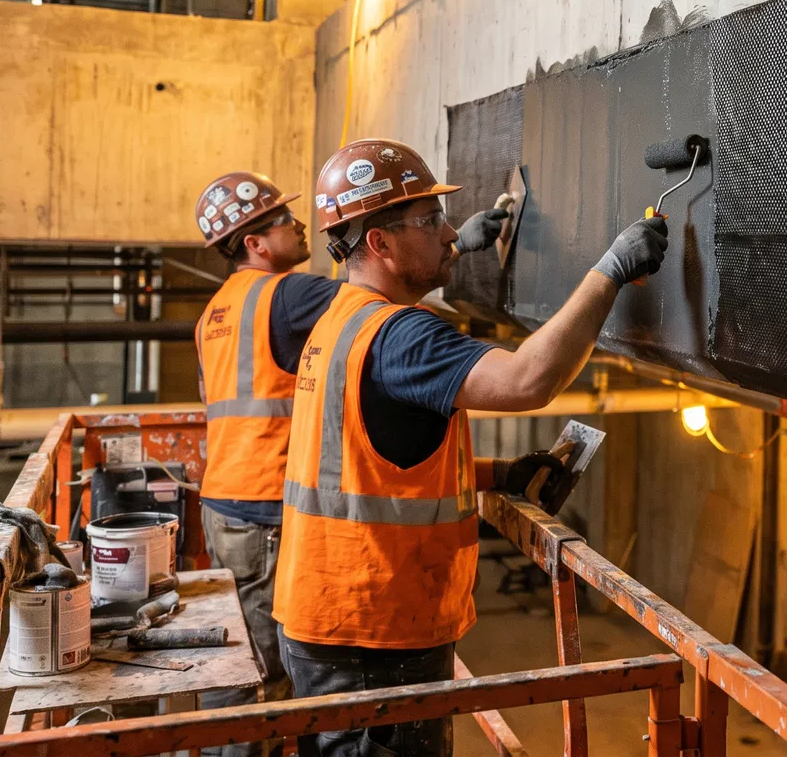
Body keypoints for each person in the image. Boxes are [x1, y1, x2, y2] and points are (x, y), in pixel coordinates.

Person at [271, 139, 667, 757]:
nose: (451, 233)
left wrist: (497, 472)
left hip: (334, 619)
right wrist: (610, 271)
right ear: (379, 243)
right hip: (375, 634)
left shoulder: (337, 323)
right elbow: (527, 381)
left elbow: (370, 463)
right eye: (430, 222)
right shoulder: (401, 337)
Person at [190, 169, 509, 756]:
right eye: (284, 221)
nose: (299, 225)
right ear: (255, 244)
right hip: (269, 504)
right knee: (261, 677)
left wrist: (448, 239)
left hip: (227, 497)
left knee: (248, 667)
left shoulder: (216, 311)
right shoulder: (285, 296)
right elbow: (371, 290)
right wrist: (457, 241)